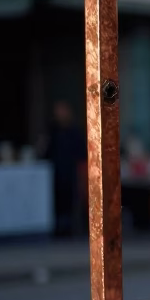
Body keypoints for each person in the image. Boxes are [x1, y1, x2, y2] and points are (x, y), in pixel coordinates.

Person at [44, 100, 86, 237]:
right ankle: (58, 227)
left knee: (69, 200)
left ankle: (69, 227)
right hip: (55, 171)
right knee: (56, 200)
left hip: (70, 171)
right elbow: (47, 151)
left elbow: (81, 153)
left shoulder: (74, 131)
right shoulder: (53, 131)